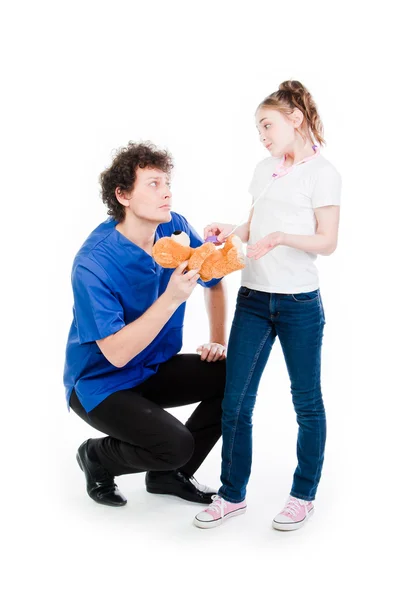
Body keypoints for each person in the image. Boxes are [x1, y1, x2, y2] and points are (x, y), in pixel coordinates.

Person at [194, 80, 341, 530]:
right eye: (258, 128)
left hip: (299, 304)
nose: (262, 135)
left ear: (294, 120)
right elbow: (256, 221)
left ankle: (303, 494)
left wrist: (280, 239)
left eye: (267, 125)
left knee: (307, 404)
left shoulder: (324, 173)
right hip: (254, 300)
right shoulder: (264, 168)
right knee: (236, 402)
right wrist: (231, 230)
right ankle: (232, 494)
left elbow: (328, 241)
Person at [64, 141, 228, 507]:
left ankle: (171, 475)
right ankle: (96, 457)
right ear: (123, 195)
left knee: (236, 376)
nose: (166, 191)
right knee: (175, 444)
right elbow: (118, 354)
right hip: (100, 384)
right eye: (153, 184)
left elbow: (215, 278)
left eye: (167, 182)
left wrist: (217, 340)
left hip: (152, 367)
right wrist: (171, 297)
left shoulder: (174, 225)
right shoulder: (92, 264)